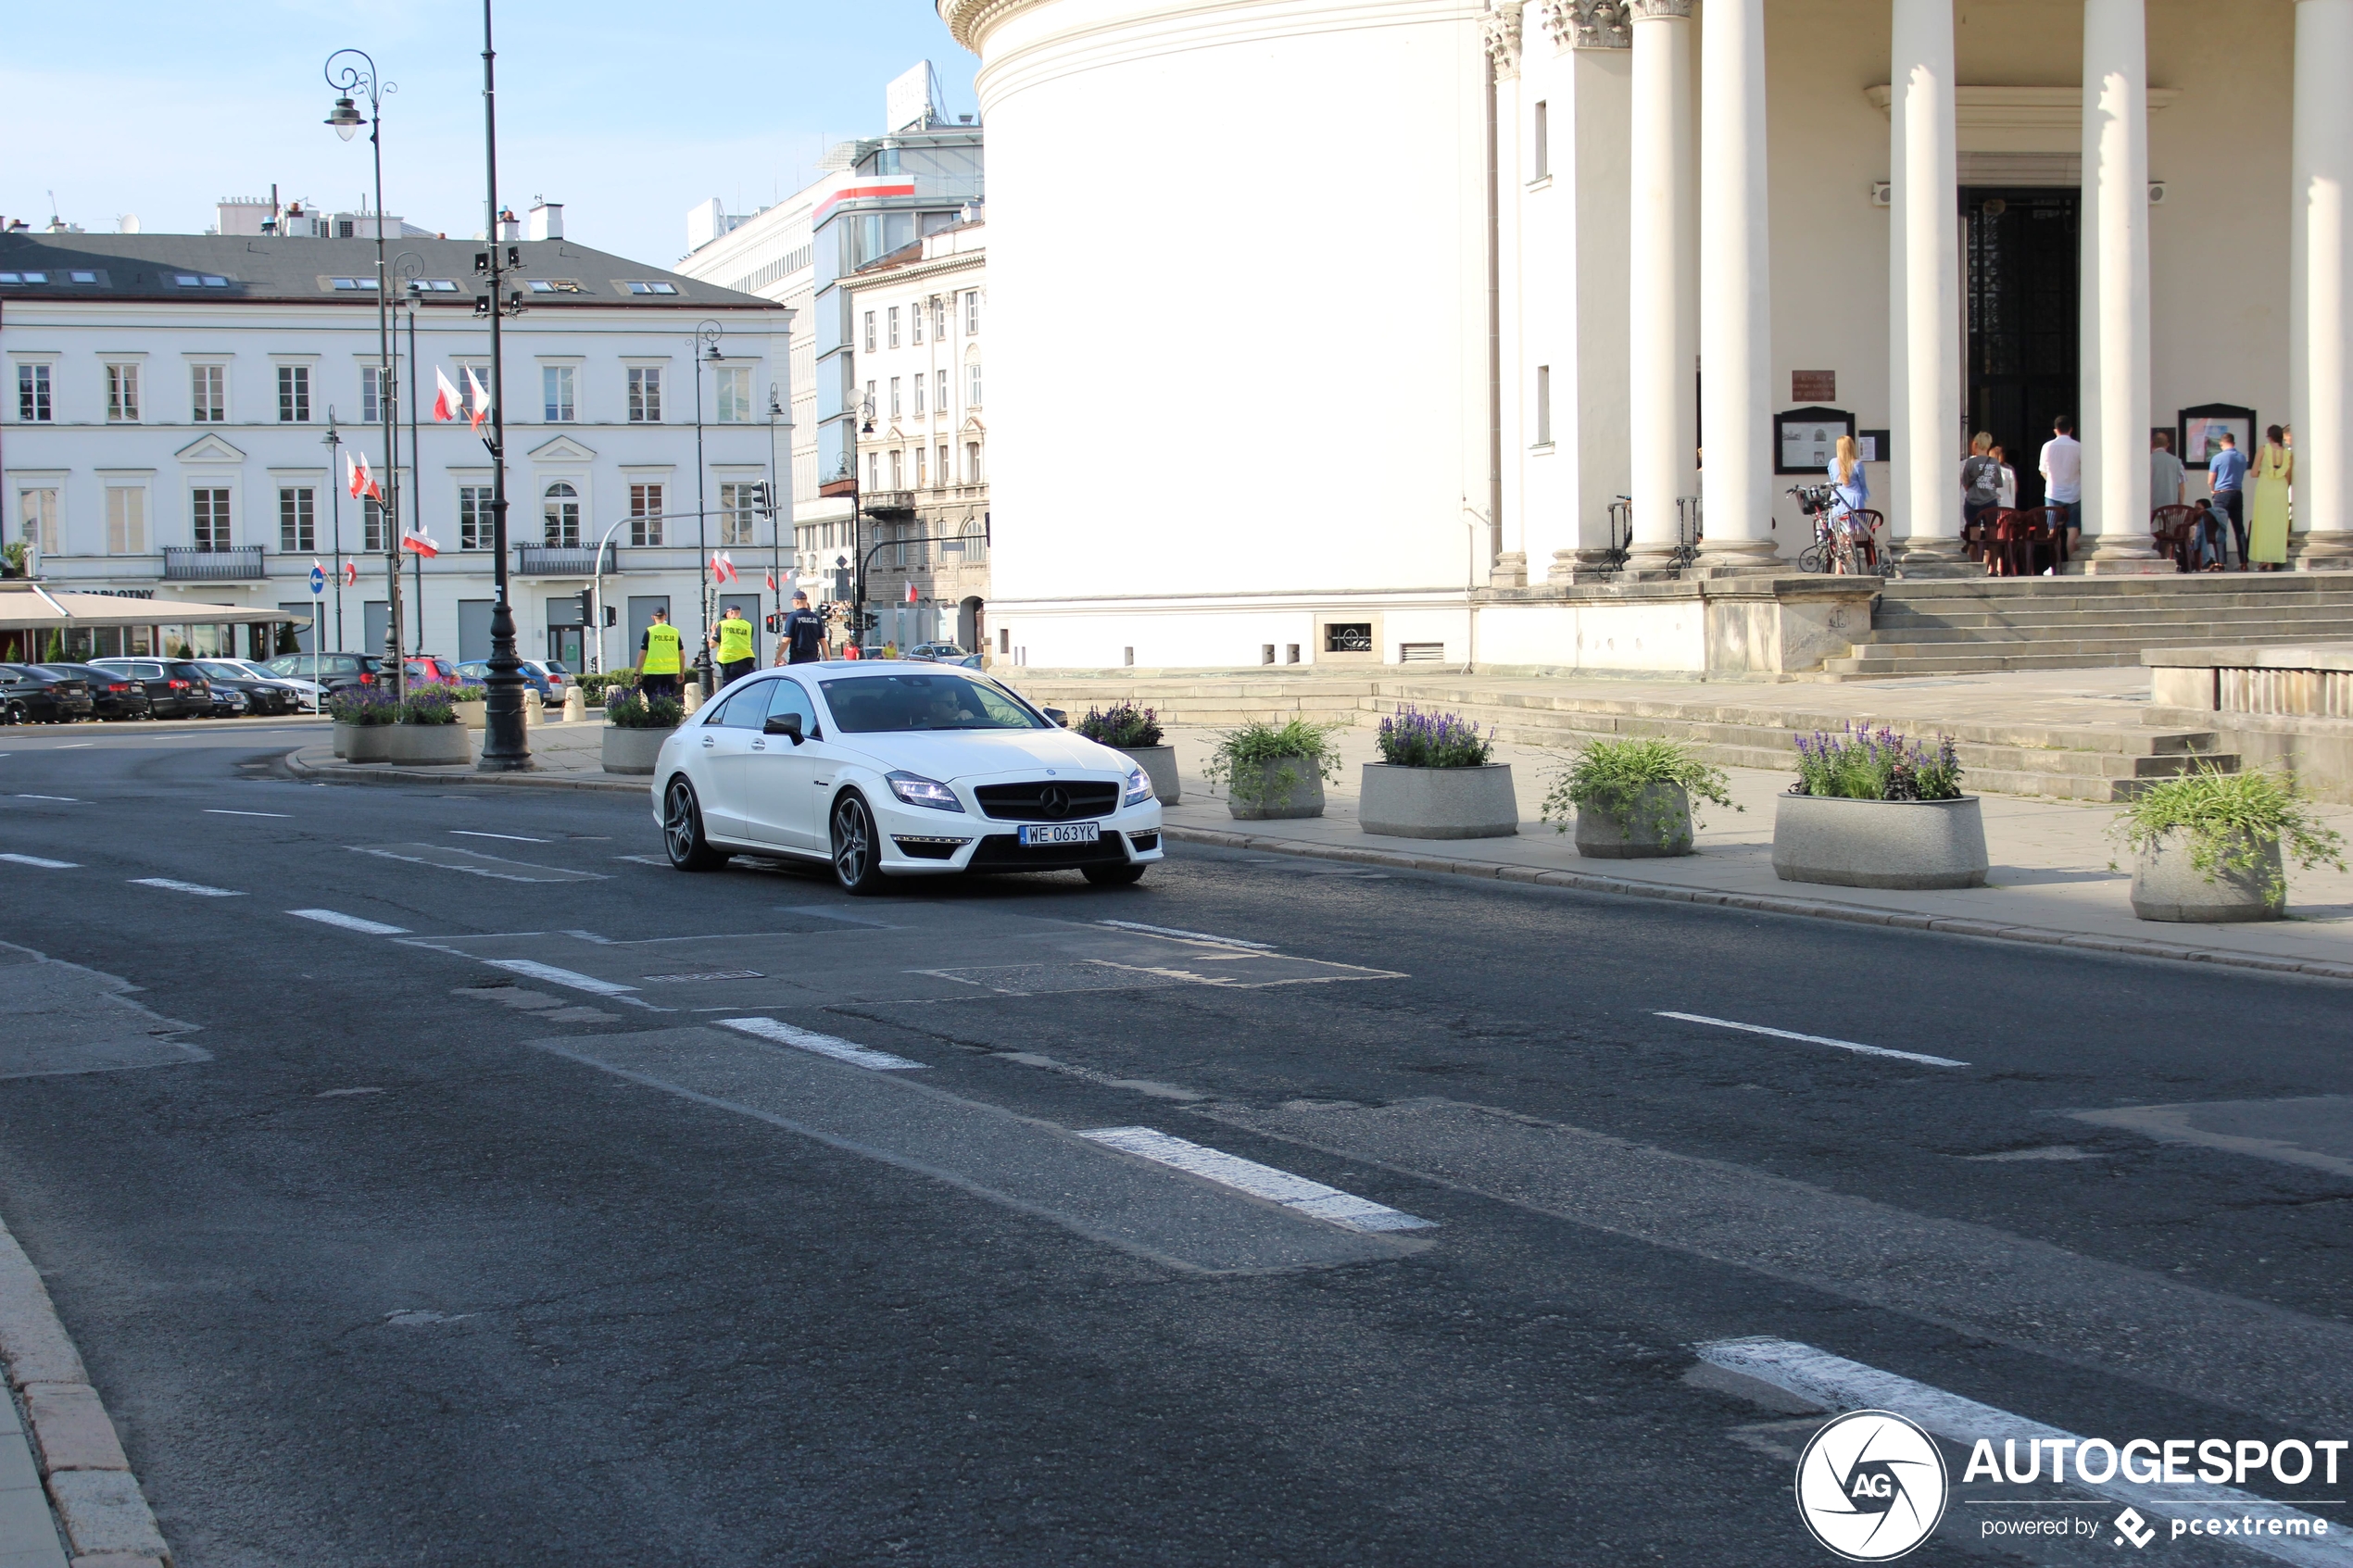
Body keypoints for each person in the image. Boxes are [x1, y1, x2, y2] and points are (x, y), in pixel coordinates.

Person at [2039, 415, 2082, 562]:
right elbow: (2084, 470)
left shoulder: (2047, 446)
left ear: (2055, 430)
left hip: (2053, 493)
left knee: (2053, 531)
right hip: (2074, 493)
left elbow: (2043, 471)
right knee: (2073, 530)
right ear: (2071, 429)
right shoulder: (2078, 447)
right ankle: (2071, 563)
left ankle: (2056, 564)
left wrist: (2052, 480)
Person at [2249, 422, 2293, 570]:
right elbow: (2288, 478)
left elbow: (2254, 473)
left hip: (2265, 488)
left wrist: (2265, 473)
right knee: (2278, 524)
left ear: (2269, 437)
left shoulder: (2263, 449)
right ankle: (2274, 559)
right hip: (2280, 490)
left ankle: (2265, 559)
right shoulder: (2288, 454)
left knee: (2264, 523)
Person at [1826, 433, 1869, 571]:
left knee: (1839, 538)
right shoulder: (1857, 464)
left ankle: (1839, 568)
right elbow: (1862, 484)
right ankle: (1849, 567)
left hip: (1837, 501)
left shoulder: (1833, 463)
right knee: (1850, 538)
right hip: (1853, 502)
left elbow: (1833, 480)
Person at [2208, 430, 2248, 568]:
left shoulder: (2218, 458)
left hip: (2222, 494)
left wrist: (2212, 489)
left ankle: (2221, 561)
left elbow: (2210, 479)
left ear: (2221, 444)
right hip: (2237, 493)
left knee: (2220, 528)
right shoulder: (2242, 457)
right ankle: (2243, 561)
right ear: (2234, 443)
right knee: (2239, 529)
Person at [1961, 432, 2001, 558]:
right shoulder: (1994, 462)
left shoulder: (1970, 463)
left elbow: (1965, 483)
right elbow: (1998, 483)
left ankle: (1975, 563)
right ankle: (1994, 568)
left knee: (1974, 537)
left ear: (1976, 444)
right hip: (1990, 502)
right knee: (1992, 536)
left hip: (1973, 502)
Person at [637, 608, 683, 700]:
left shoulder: (649, 632)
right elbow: (682, 655)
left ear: (653, 617)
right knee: (669, 701)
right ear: (665, 616)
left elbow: (642, 655)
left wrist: (637, 674)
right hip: (671, 673)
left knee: (653, 701)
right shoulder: (674, 632)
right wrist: (681, 672)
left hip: (652, 673)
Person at [709, 604, 757, 686]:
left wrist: (713, 631)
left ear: (730, 612)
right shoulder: (748, 625)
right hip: (746, 660)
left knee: (730, 687)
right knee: (744, 686)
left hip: (729, 660)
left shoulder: (723, 624)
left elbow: (712, 645)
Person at [778, 590, 826, 665]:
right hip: (813, 658)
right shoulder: (816, 618)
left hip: (798, 658)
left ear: (796, 602)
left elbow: (786, 639)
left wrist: (778, 656)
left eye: (793, 602)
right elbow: (823, 641)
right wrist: (828, 659)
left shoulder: (793, 617)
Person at [2151, 430, 2185, 511]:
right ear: (2167, 445)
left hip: (2151, 508)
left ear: (2151, 443)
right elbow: (2181, 486)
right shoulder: (2177, 462)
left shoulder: (2147, 461)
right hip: (2170, 508)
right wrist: (2180, 505)